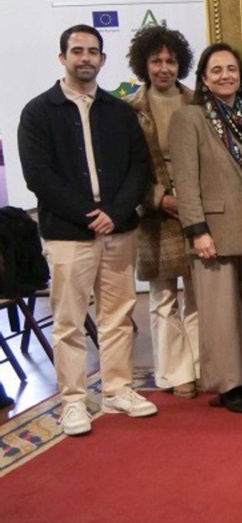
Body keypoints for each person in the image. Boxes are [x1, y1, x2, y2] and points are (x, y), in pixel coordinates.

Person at [18, 24, 156, 436]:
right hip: (68, 233)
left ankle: (117, 390)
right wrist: (87, 214)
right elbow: (38, 175)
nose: (85, 58)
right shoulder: (38, 112)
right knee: (69, 321)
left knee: (118, 316)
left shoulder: (119, 112)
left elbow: (139, 167)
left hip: (119, 229)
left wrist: (114, 212)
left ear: (102, 59)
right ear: (62, 57)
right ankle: (74, 401)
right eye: (77, 51)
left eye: (92, 51)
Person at [169, 43, 242, 414]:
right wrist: (197, 230)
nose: (225, 76)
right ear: (203, 78)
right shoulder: (190, 118)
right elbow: (185, 182)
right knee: (221, 311)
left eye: (231, 69)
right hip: (214, 228)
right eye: (216, 70)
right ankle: (229, 384)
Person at [124, 25, 200, 399]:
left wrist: (193, 201)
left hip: (197, 210)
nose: (164, 68)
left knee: (200, 295)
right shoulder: (130, 109)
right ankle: (174, 372)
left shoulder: (197, 102)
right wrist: (159, 198)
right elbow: (126, 167)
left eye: (171, 61)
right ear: (144, 64)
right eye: (156, 61)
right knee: (164, 297)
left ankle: (200, 365)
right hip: (156, 215)